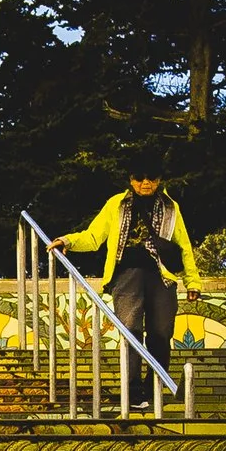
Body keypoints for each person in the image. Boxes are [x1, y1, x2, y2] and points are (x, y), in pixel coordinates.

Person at [55, 165, 200, 402]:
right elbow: (94, 237)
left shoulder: (170, 207)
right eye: (140, 177)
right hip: (126, 276)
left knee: (161, 333)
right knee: (130, 330)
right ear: (131, 179)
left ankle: (154, 389)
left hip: (161, 276)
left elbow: (183, 245)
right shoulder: (116, 204)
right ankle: (132, 393)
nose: (146, 183)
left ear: (159, 179)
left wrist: (192, 282)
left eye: (151, 177)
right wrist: (68, 241)